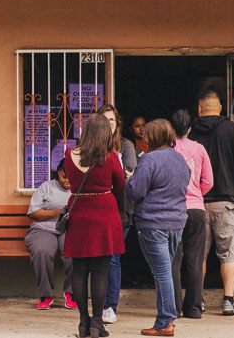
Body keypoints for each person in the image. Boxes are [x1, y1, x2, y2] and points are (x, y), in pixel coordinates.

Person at [188, 90, 234, 316]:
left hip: (196, 202)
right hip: (227, 200)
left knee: (198, 254)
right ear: (220, 108)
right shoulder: (233, 130)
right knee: (229, 253)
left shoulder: (190, 132)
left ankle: (199, 300)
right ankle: (227, 300)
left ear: (199, 108)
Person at [64, 113, 126, 338]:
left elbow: (70, 181)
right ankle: (97, 322)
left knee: (79, 270)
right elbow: (120, 185)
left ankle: (83, 322)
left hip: (79, 213)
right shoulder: (110, 158)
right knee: (100, 271)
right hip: (104, 214)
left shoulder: (69, 155)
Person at [127, 119, 190, 337]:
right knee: (166, 271)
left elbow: (136, 192)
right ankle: (167, 319)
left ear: (151, 138)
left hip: (153, 223)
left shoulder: (149, 160)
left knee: (161, 273)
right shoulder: (180, 160)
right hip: (177, 222)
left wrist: (129, 180)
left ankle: (165, 321)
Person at [169, 109, 213, 319]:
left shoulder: (168, 149)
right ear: (189, 128)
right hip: (196, 209)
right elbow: (209, 181)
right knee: (195, 259)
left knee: (173, 259)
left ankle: (174, 307)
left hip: (173, 209)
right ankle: (194, 308)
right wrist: (196, 195)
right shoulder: (199, 149)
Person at [98, 104, 137, 325]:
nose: (108, 125)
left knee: (112, 258)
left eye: (111, 121)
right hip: (97, 210)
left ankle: (110, 306)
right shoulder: (92, 146)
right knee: (98, 259)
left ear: (117, 124)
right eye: (104, 121)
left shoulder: (126, 146)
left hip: (121, 210)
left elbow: (129, 175)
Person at [25, 159, 75, 310]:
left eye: (71, 177)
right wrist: (56, 212)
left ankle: (72, 293)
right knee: (42, 252)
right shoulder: (46, 187)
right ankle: (45, 294)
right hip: (43, 229)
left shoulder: (80, 189)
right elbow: (33, 213)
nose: (67, 180)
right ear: (59, 172)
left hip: (69, 230)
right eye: (64, 176)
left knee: (74, 252)